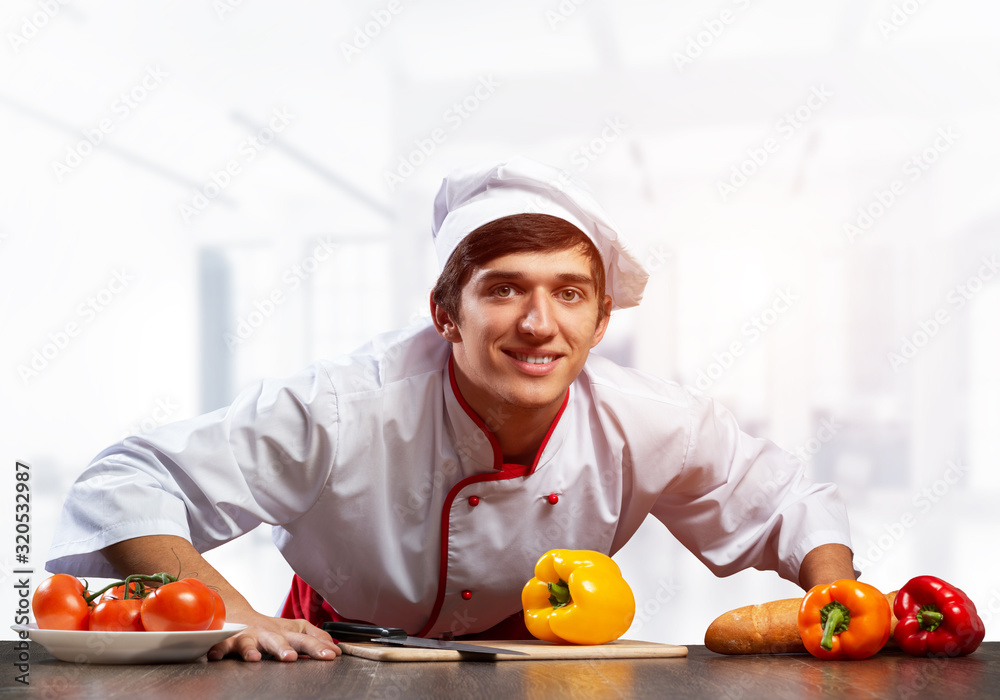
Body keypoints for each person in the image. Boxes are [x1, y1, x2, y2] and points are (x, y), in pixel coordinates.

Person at [46, 157, 856, 662]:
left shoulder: (649, 419)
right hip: (336, 662)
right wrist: (227, 609)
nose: (540, 325)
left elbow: (788, 502)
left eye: (569, 295)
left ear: (601, 321)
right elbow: (125, 481)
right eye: (504, 289)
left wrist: (836, 607)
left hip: (534, 671)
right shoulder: (345, 405)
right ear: (444, 312)